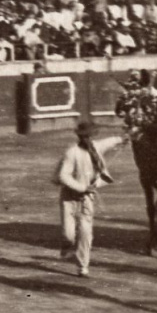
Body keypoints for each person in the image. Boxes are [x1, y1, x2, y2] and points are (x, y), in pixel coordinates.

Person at [52, 119, 122, 277]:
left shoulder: (97, 147)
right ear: (80, 137)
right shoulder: (72, 153)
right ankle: (66, 245)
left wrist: (122, 138)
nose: (88, 139)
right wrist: (82, 187)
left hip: (87, 199)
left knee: (85, 232)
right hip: (69, 198)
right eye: (85, 136)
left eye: (91, 136)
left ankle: (83, 266)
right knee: (68, 234)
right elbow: (63, 176)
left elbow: (109, 142)